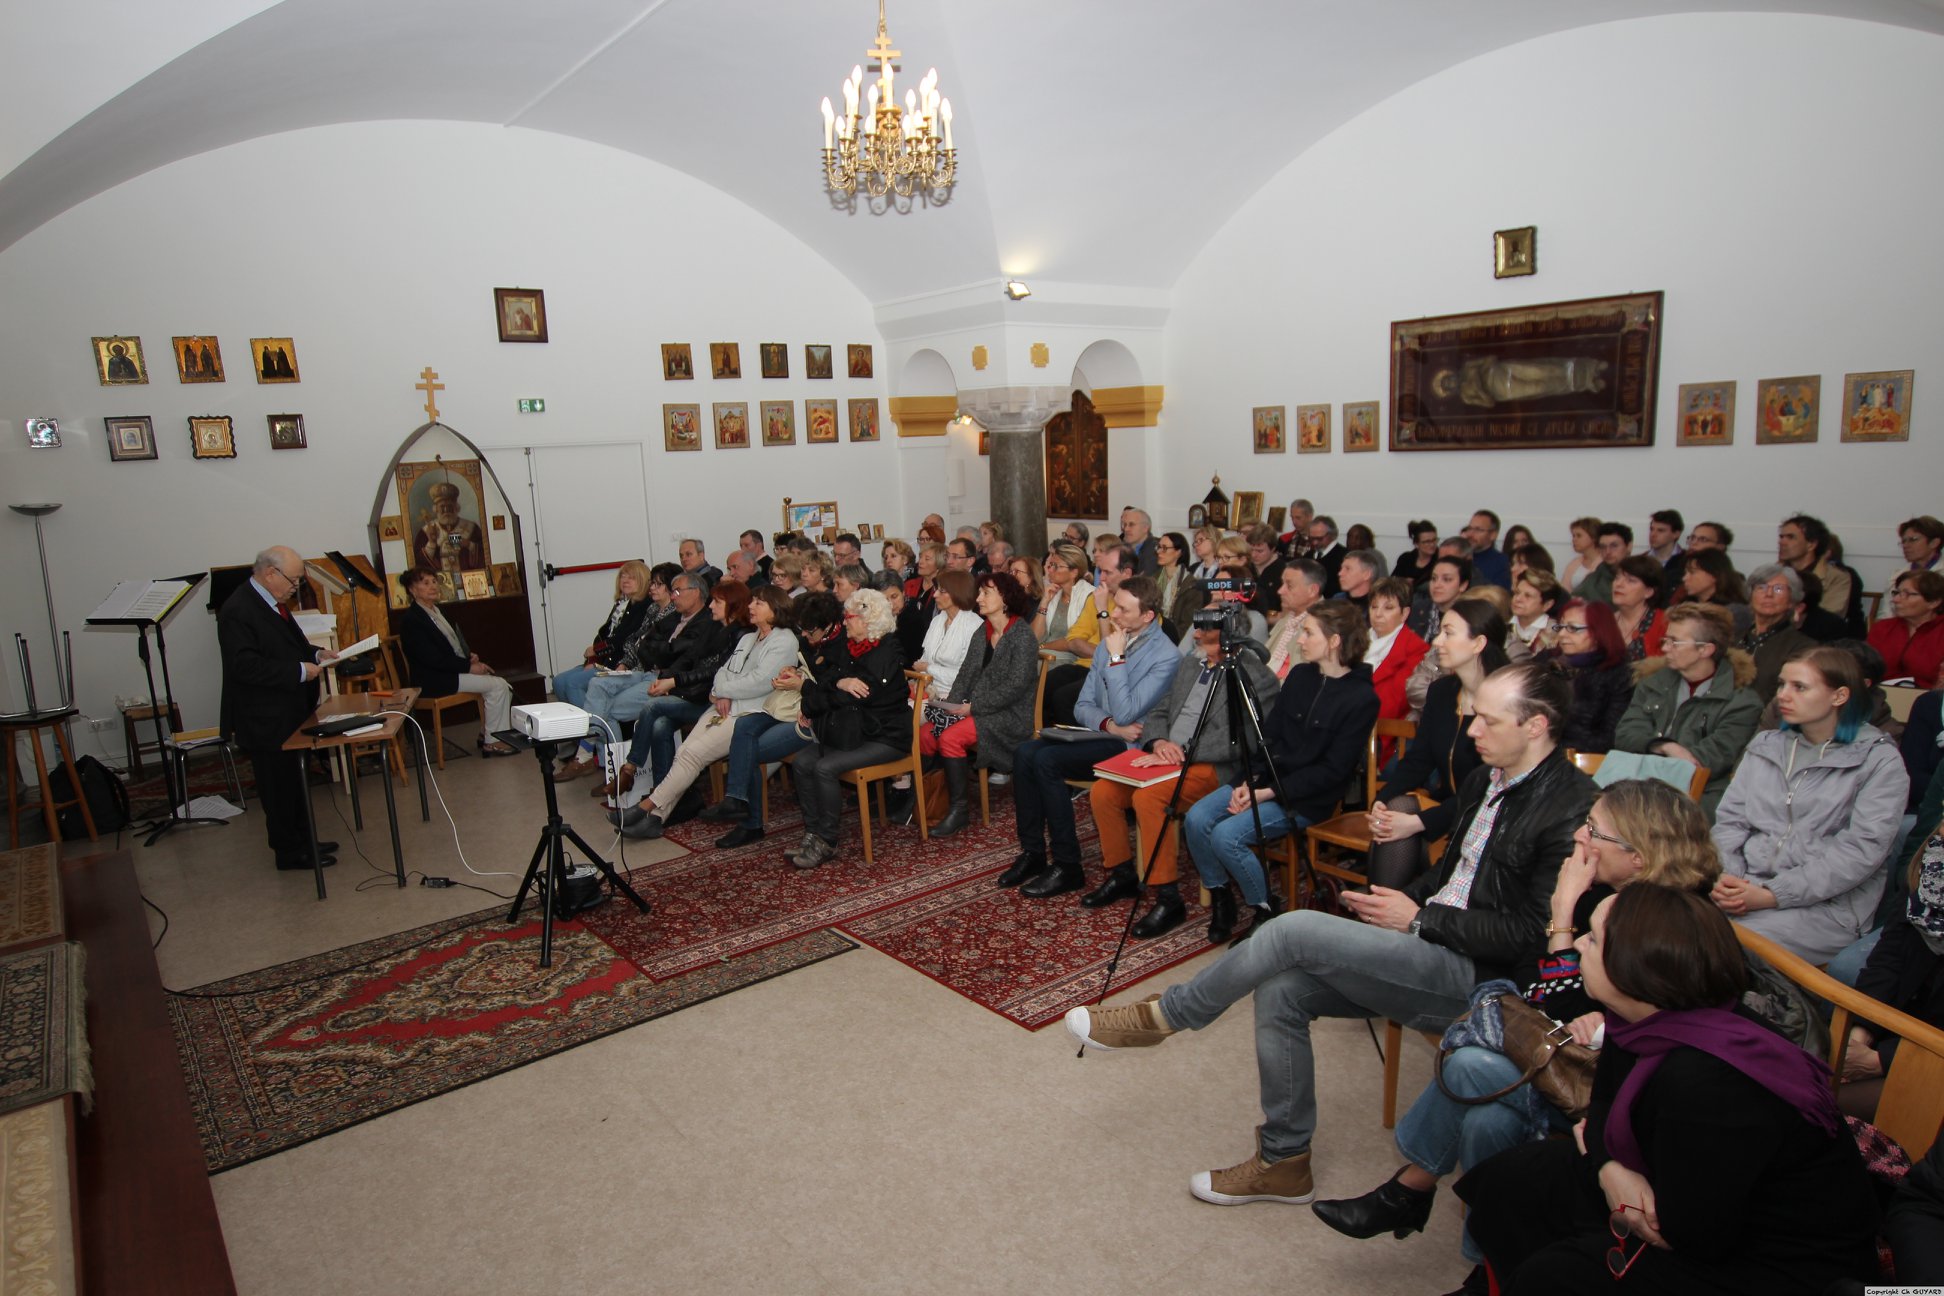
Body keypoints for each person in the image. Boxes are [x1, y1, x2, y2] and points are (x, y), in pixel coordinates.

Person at [1065, 664, 1596, 1215]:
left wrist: (1418, 919)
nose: (1473, 731)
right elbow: (1452, 880)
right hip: (1432, 945)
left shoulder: (1569, 807)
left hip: (1486, 980)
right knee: (1282, 988)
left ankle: (1168, 1016)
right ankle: (1284, 1161)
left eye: (1488, 720)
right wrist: (1399, 907)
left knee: (1292, 927)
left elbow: (1536, 934)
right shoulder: (1490, 778)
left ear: (1536, 726)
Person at [1313, 781, 1723, 1289]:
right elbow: (1535, 984)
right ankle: (1484, 1270)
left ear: (1638, 857)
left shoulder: (1667, 923)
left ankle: (1411, 1191)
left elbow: (1560, 1005)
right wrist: (1567, 932)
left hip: (1611, 1091)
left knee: (1471, 1065)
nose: (1579, 835)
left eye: (1594, 830)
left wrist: (1563, 915)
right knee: (1487, 1117)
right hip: (1566, 1057)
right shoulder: (1607, 889)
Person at [1456, 884, 1879, 1296]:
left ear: (1633, 969)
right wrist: (1609, 1172)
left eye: (1595, 939)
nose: (1580, 944)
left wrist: (1608, 1168)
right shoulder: (1645, 1018)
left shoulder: (1707, 1079)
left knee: (1554, 1277)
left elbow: (1692, 1235)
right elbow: (1600, 1108)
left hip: (1776, 1263)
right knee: (1513, 1181)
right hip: (1674, 1189)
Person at [1182, 601, 1378, 941]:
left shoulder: (1362, 698)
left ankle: (1264, 908)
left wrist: (1267, 792)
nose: (1299, 640)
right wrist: (1249, 781)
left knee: (1227, 836)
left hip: (1306, 798)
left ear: (1334, 641)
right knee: (1196, 818)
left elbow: (1332, 772)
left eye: (1308, 633)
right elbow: (1268, 738)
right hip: (1266, 779)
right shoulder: (1301, 676)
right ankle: (1221, 895)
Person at [1082, 618, 1283, 937]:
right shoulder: (1191, 663)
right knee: (1104, 791)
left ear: (1230, 634)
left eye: (1207, 629)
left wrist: (1186, 751)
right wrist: (1160, 742)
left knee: (1150, 799)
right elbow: (1160, 712)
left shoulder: (1253, 674)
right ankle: (1122, 874)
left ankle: (1168, 896)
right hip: (1166, 755)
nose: (1198, 634)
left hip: (1212, 766)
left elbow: (1246, 737)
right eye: (1198, 627)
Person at [1712, 645, 1908, 963]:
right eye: (1781, 685)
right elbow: (1731, 822)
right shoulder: (1766, 745)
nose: (1782, 696)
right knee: (1657, 921)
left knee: (1715, 945)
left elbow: (1861, 853)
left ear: (1839, 696)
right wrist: (1729, 878)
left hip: (1827, 909)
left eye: (1799, 687)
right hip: (1745, 888)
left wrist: (1773, 895)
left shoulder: (1878, 760)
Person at [999, 577, 1177, 898]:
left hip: (1132, 746)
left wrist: (1117, 658)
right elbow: (1082, 706)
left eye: (1123, 609)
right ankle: (1034, 852)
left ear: (1148, 616)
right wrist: (1108, 724)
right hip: (1104, 734)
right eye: (1114, 606)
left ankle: (1068, 865)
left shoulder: (1165, 655)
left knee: (1047, 761)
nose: (1114, 614)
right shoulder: (1113, 640)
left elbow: (1128, 713)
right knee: (1025, 752)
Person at [615, 584, 797, 840]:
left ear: (775, 609)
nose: (751, 607)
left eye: (758, 603)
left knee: (693, 754)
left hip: (750, 712)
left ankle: (646, 808)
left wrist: (724, 691)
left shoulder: (784, 640)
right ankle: (655, 818)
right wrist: (721, 691)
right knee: (685, 753)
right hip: (725, 704)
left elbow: (760, 681)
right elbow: (724, 670)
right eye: (752, 601)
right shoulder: (748, 637)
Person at [1365, 599, 1512, 888]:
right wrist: (1381, 804)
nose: (1437, 641)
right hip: (1450, 808)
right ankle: (1384, 908)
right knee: (1397, 808)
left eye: (1449, 633)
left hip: (1493, 816)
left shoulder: (1508, 698)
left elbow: (1493, 789)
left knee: (1406, 825)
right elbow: (1419, 760)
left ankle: (1392, 906)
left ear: (1478, 643)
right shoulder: (1443, 692)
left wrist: (1420, 823)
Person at [218, 546, 343, 871]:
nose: (296, 586)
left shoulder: (272, 603)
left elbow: (290, 646)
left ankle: (304, 840)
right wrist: (299, 671)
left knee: (294, 781)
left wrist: (316, 655)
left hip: (286, 712)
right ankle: (289, 852)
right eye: (294, 579)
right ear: (270, 573)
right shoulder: (238, 609)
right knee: (277, 788)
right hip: (263, 717)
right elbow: (244, 666)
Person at [699, 592, 844, 847]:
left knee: (747, 751)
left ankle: (747, 817)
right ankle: (738, 802)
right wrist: (794, 673)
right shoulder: (806, 639)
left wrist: (804, 688)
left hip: (817, 718)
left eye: (809, 632)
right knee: (744, 727)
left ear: (826, 626)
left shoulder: (839, 646)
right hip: (790, 706)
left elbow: (832, 691)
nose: (805, 637)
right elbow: (807, 672)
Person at [785, 589, 911, 869]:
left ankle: (827, 841)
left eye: (849, 617)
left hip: (885, 736)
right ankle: (813, 832)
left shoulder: (885, 652)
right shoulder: (851, 646)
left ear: (868, 620)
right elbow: (829, 680)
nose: (844, 623)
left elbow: (848, 696)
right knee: (803, 762)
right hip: (854, 730)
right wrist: (839, 683)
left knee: (824, 767)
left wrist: (815, 699)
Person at [592, 571, 737, 801]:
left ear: (696, 592)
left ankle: (629, 769)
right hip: (682, 687)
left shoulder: (721, 630)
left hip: (704, 698)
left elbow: (706, 670)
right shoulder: (683, 621)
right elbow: (645, 646)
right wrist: (670, 675)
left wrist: (671, 680)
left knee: (652, 707)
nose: (712, 606)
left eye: (677, 591)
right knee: (659, 723)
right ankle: (662, 792)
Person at [1610, 603, 1759, 816]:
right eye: (1665, 640)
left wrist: (1653, 754)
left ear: (1705, 649)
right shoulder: (1652, 684)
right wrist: (1664, 747)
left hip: (1698, 799)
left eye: (1675, 642)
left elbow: (1711, 759)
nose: (1664, 648)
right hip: (1638, 789)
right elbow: (1625, 735)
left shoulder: (1741, 702)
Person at [924, 572, 1040, 837]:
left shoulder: (1022, 635)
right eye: (979, 593)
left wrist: (972, 707)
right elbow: (966, 674)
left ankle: (959, 810)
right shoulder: (983, 630)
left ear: (1006, 598)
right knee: (926, 734)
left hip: (1009, 715)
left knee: (950, 738)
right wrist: (950, 705)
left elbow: (1016, 686)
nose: (978, 598)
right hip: (979, 708)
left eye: (986, 593)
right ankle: (923, 801)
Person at [397, 564, 516, 755]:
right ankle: (492, 742)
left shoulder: (437, 611)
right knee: (498, 686)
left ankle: (487, 734)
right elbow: (432, 659)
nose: (433, 586)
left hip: (449, 671)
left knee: (502, 686)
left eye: (434, 581)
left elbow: (450, 646)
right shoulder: (412, 620)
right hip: (433, 679)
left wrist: (469, 657)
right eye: (425, 583)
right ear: (412, 590)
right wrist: (468, 667)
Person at [1042, 544, 1133, 725]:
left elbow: (1112, 656)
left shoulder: (1136, 604)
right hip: (1085, 664)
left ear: (1127, 573)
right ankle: (1044, 735)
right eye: (1101, 571)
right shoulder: (1099, 597)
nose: (1101, 578)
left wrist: (1103, 612)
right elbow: (1073, 639)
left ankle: (1074, 745)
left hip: (1112, 672)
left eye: (1107, 572)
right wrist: (1098, 650)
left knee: (1063, 697)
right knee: (1044, 684)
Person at [549, 560, 653, 715]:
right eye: (622, 576)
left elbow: (623, 639)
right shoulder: (622, 604)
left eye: (631, 577)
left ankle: (592, 728)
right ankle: (574, 725)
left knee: (572, 683)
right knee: (558, 681)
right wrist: (593, 659)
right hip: (603, 659)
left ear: (643, 580)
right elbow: (603, 634)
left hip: (619, 663)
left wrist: (596, 651)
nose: (624, 580)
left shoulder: (643, 606)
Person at [1537, 599, 1632, 755]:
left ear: (1598, 633)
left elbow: (1609, 736)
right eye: (1560, 627)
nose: (1562, 634)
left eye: (1572, 628)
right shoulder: (1546, 662)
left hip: (1587, 761)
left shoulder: (1618, 674)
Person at [1365, 578, 1430, 760]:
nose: (1378, 614)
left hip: (1383, 735)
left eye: (1388, 608)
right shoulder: (1356, 641)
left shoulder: (1416, 649)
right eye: (1374, 606)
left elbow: (1394, 703)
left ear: (1404, 613)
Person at [1739, 563, 1817, 702]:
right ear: (1751, 596)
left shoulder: (1802, 647)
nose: (1768, 594)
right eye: (1761, 587)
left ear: (1791, 601)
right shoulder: (1733, 637)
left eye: (1778, 589)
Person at [1869, 568, 1944, 687]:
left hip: (1929, 698)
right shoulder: (1882, 628)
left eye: (1907, 594)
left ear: (1933, 602)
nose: (1895, 599)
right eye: (1897, 593)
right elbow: (1864, 668)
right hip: (1880, 696)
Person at [1777, 513, 1852, 622]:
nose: (1782, 542)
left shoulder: (1836, 578)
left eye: (1790, 537)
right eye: (1781, 537)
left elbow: (1830, 618)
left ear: (1811, 544)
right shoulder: (1773, 574)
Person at [1034, 542, 1096, 668]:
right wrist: (1044, 603)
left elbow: (1072, 641)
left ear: (1073, 572)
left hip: (1073, 659)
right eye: (1050, 565)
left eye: (1056, 566)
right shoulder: (1053, 593)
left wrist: (1041, 647)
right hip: (1044, 654)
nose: (1050, 570)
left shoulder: (1089, 596)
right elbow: (1034, 637)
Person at [1675, 548, 1751, 634]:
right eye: (1685, 573)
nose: (1685, 578)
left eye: (1692, 572)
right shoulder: (1684, 606)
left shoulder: (1734, 612)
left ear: (1715, 575)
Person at [415, 482, 486, 571]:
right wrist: (431, 543)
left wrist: (469, 544)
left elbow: (485, 554)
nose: (446, 510)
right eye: (442, 507)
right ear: (435, 509)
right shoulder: (425, 531)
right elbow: (419, 563)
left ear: (457, 507)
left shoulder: (472, 528)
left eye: (450, 506)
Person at [1608, 555, 1667, 661]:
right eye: (1617, 577)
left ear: (1648, 592)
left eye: (1630, 580)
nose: (1618, 584)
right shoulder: (1604, 621)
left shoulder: (1664, 624)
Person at [1406, 554, 1470, 643]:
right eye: (1434, 578)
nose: (1437, 585)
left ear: (1463, 585)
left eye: (1447, 579)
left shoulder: (1470, 616)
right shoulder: (1417, 609)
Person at [1151, 530, 1203, 637]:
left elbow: (1187, 624)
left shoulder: (1191, 585)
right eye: (1158, 547)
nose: (1159, 551)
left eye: (1165, 548)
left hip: (1176, 638)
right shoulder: (1152, 580)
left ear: (1178, 552)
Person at [1572, 521, 1631, 604]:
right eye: (1603, 547)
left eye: (1614, 546)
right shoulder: (1594, 578)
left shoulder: (1642, 575)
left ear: (1629, 546)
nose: (1608, 552)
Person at [1509, 568, 1560, 652]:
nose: (1518, 599)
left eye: (1527, 596)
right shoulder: (1503, 625)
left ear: (1547, 605)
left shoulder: (1555, 632)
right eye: (1517, 592)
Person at [1460, 510, 1510, 589]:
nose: (1470, 534)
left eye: (1478, 530)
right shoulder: (1458, 557)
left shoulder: (1502, 563)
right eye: (1469, 528)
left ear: (1493, 535)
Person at [1558, 516, 1603, 594]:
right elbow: (1564, 592)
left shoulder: (1605, 563)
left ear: (1594, 537)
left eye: (1579, 536)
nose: (1574, 539)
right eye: (1573, 536)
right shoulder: (1574, 563)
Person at [1306, 514, 1347, 595]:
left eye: (1319, 538)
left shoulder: (1344, 557)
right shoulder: (1308, 555)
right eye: (1311, 538)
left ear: (1332, 535)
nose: (1315, 542)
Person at [1392, 520, 1440, 587]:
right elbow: (1392, 582)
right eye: (1427, 542)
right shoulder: (1405, 559)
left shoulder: (1441, 560)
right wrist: (1403, 583)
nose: (1432, 544)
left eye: (1434, 540)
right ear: (1416, 544)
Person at [1645, 507, 1686, 579]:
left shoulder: (1687, 561)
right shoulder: (1641, 560)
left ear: (1676, 534)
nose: (1653, 535)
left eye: (1660, 530)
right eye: (1651, 529)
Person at [1118, 507, 1159, 574]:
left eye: (1131, 524)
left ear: (1145, 528)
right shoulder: (1120, 548)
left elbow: (1145, 580)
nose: (1126, 529)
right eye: (1125, 525)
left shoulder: (1155, 551)